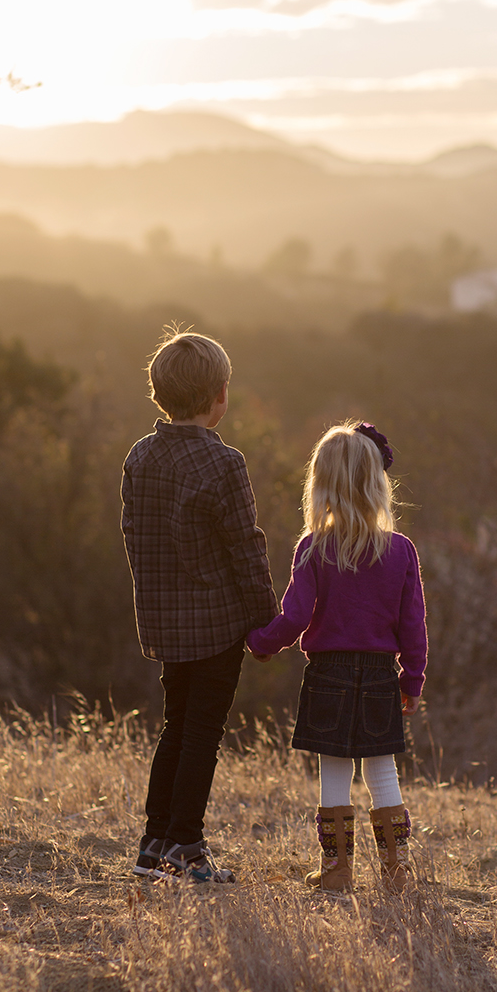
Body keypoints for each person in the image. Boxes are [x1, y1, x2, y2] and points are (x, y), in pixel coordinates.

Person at [121, 329, 279, 882]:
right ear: (219, 395)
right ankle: (185, 845)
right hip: (216, 624)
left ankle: (153, 844)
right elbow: (246, 546)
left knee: (176, 726)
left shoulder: (140, 456)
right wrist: (266, 621)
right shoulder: (224, 463)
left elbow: (134, 535)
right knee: (201, 734)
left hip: (164, 621)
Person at [247, 422, 426, 892]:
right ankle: (396, 871)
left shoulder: (314, 548)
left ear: (321, 483)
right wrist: (412, 680)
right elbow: (413, 627)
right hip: (381, 675)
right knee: (382, 768)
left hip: (328, 674)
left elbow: (295, 616)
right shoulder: (401, 551)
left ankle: (337, 871)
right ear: (376, 481)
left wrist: (261, 642)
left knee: (335, 769)